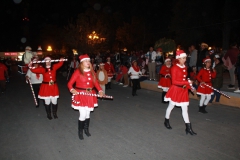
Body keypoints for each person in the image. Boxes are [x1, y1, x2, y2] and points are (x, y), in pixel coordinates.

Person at [67, 54, 103, 140]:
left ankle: (86, 129)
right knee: (82, 114)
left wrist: (100, 90)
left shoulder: (92, 71)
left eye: (88, 60)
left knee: (88, 114)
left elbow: (96, 83)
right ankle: (80, 132)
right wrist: (72, 90)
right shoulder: (77, 72)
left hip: (90, 95)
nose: (88, 62)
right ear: (82, 62)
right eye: (86, 61)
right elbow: (69, 84)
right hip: (80, 95)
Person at [164, 50, 196, 135]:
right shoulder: (174, 68)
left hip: (183, 90)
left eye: (185, 58)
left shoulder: (184, 67)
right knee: (171, 106)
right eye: (183, 58)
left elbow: (184, 80)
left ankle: (188, 128)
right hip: (176, 90)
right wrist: (187, 83)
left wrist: (190, 87)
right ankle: (166, 121)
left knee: (185, 109)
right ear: (178, 58)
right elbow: (174, 81)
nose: (185, 60)